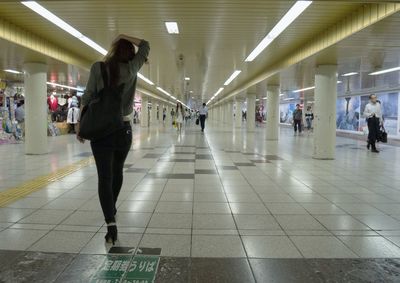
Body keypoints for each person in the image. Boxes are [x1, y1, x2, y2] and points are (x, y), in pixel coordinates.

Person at [77, 34, 150, 244]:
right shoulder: (132, 68)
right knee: (117, 171)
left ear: (113, 50)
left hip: (100, 130)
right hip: (123, 129)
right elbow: (146, 44)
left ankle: (110, 223)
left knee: (104, 178)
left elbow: (88, 96)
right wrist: (124, 36)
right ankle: (112, 206)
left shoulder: (97, 68)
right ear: (129, 54)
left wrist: (81, 126)